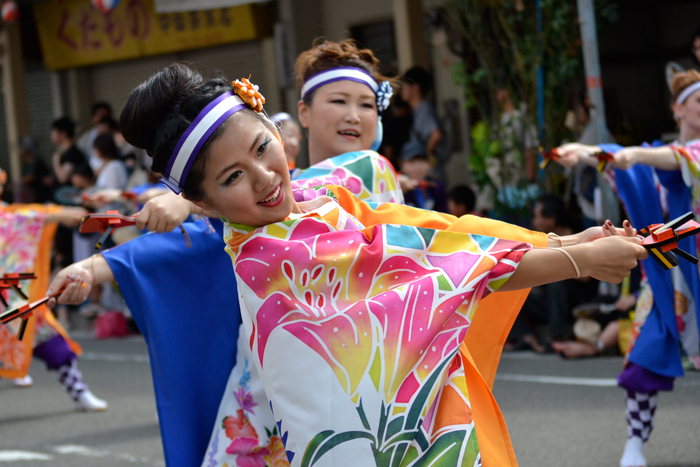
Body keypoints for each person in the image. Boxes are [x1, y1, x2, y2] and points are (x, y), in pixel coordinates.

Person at [83, 64, 650, 467]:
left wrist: (562, 240)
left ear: (278, 133)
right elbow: (435, 264)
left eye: (261, 150)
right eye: (231, 177)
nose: (262, 177)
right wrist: (576, 260)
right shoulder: (273, 250)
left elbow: (437, 233)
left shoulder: (342, 181)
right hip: (348, 428)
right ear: (302, 112)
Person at [48, 40, 403, 467]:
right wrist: (93, 267)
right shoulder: (258, 206)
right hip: (262, 399)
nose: (354, 114)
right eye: (339, 100)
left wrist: (189, 202)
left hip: (353, 387)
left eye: (367, 104)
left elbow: (320, 190)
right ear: (302, 113)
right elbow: (188, 248)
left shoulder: (368, 172)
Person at [554, 69, 700, 467]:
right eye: (698, 99)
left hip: (698, 274)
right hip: (664, 277)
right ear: (677, 108)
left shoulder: (675, 155)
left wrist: (632, 155)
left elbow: (667, 158)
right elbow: (617, 159)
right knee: (642, 356)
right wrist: (581, 152)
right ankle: (634, 444)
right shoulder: (651, 157)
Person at [0, 168, 107, 411]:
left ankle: (78, 391)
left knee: (49, 338)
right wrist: (58, 214)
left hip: (9, 301)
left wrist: (58, 213)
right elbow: (16, 220)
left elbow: (17, 216)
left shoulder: (6, 210)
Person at [400, 66, 450, 177]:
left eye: (405, 85)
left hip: (427, 175)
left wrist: (425, 158)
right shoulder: (418, 110)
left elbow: (436, 134)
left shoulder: (424, 109)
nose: (402, 90)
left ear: (416, 87)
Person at [400, 140, 448, 212]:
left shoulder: (436, 187)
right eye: (412, 162)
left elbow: (444, 213)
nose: (417, 167)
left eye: (422, 161)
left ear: (429, 163)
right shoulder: (398, 188)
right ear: (402, 165)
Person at [50, 117, 87, 186]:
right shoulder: (66, 153)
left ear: (63, 133)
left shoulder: (73, 153)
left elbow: (63, 178)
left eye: (54, 131)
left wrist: (56, 160)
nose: (51, 134)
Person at [77, 102, 112, 172]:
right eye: (100, 116)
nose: (103, 119)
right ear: (92, 118)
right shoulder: (85, 138)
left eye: (106, 116)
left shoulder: (117, 135)